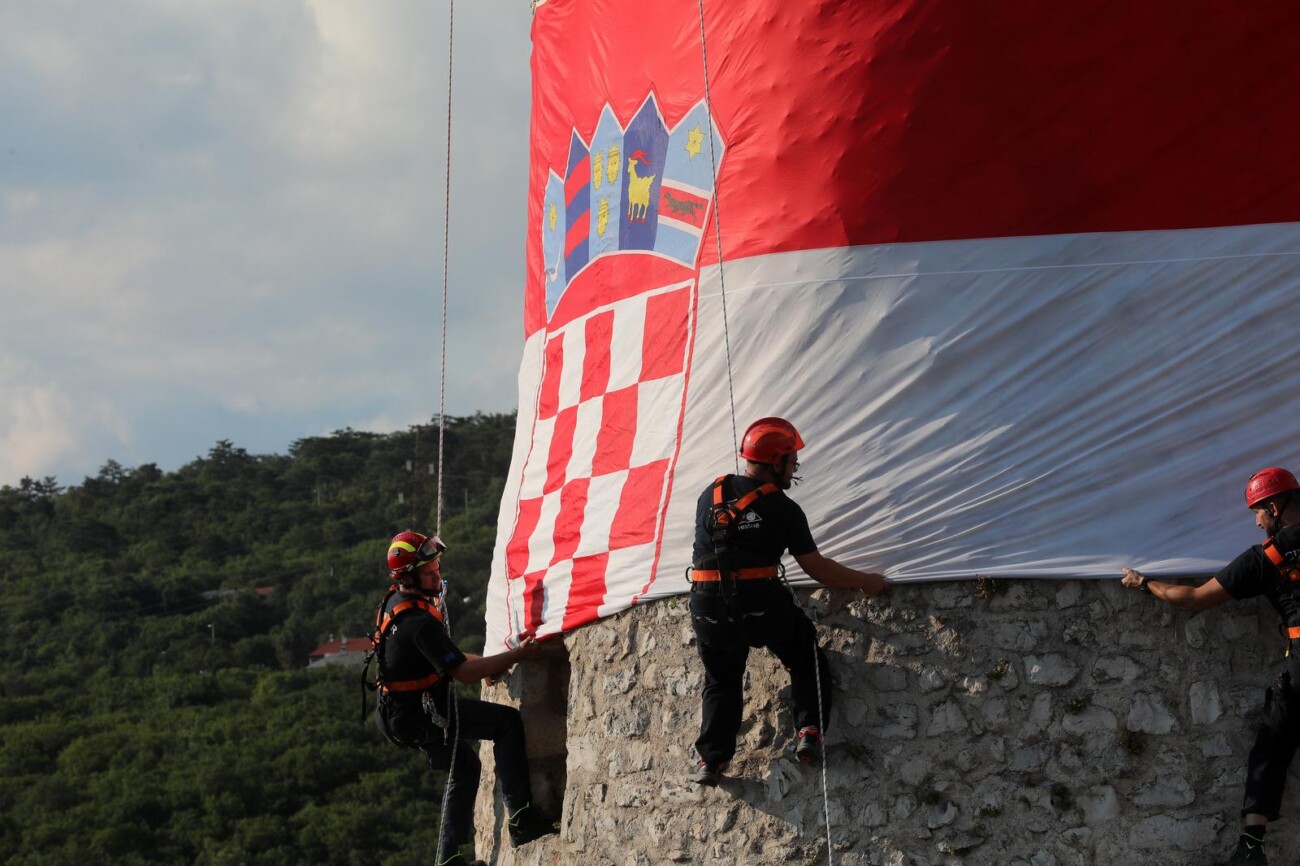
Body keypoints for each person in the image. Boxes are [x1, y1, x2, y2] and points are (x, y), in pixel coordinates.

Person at [688, 417, 889, 785]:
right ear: (775, 461)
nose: (794, 469)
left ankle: (710, 762)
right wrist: (865, 581)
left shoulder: (709, 495)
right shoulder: (783, 508)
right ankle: (809, 731)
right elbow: (817, 568)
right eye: (792, 462)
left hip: (707, 605)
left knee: (722, 677)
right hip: (760, 602)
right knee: (803, 654)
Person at [1122, 467, 1300, 866]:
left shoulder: (1265, 558)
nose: (1256, 522)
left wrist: (1144, 583)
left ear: (1274, 508)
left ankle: (1251, 849)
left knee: (1271, 750)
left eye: (1257, 513)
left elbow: (1194, 599)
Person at [370, 531, 556, 866]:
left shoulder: (397, 603)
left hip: (400, 712)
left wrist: (486, 664)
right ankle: (521, 819)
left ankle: (450, 858)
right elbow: (463, 672)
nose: (436, 576)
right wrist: (515, 655)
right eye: (428, 572)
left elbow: (448, 657)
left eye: (437, 568)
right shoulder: (417, 622)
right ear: (409, 578)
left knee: (465, 766)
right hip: (417, 715)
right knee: (505, 723)